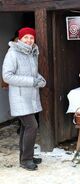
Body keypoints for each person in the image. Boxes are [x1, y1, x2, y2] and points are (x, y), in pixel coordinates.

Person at [2, 27, 46, 171]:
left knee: (26, 127)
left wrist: (40, 79)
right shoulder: (13, 53)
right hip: (20, 97)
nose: (29, 40)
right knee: (32, 126)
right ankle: (26, 160)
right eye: (26, 37)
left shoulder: (32, 52)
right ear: (20, 39)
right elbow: (7, 76)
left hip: (30, 97)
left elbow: (33, 73)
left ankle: (26, 157)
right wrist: (31, 81)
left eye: (31, 38)